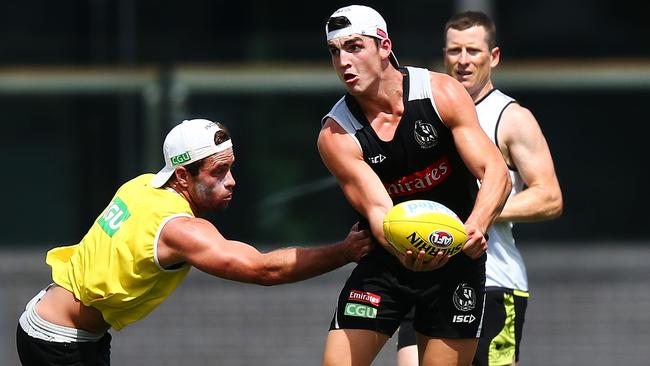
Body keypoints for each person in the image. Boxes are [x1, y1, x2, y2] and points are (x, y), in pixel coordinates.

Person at [15, 118, 374, 366]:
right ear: (183, 175)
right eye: (218, 172)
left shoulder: (142, 184)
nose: (231, 181)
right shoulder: (180, 230)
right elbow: (262, 270)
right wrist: (345, 251)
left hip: (59, 326)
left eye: (231, 168)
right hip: (59, 343)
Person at [318, 5, 511, 366]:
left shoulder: (440, 93)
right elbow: (379, 211)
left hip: (457, 261)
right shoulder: (337, 133)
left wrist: (477, 226)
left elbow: (494, 169)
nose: (343, 61)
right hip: (387, 264)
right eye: (334, 51)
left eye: (355, 47)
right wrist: (404, 247)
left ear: (384, 46)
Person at [396, 11, 563, 366]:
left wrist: (475, 211)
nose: (463, 61)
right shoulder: (425, 112)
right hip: (426, 277)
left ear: (494, 57)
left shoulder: (512, 117)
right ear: (444, 56)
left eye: (473, 51)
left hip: (493, 282)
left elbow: (549, 197)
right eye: (454, 51)